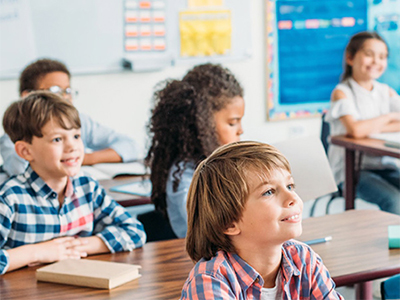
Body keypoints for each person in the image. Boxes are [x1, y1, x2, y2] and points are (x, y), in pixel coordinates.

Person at [0, 92, 146, 275]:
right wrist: (37, 252)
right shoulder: (10, 198)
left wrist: (77, 247)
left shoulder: (87, 188)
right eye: (57, 139)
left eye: (76, 136)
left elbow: (135, 231)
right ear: (25, 151)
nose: (72, 147)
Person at [181, 141, 343, 300]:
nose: (292, 197)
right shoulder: (209, 280)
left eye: (290, 186)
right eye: (269, 192)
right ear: (229, 222)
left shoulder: (303, 258)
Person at [145, 63, 245, 238]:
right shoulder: (183, 177)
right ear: (203, 124)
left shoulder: (218, 165)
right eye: (232, 122)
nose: (240, 130)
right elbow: (213, 232)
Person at [0, 58, 141, 177]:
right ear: (28, 96)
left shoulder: (80, 121)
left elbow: (131, 146)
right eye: (55, 90)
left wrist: (83, 158)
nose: (65, 97)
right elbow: (20, 169)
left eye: (68, 91)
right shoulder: (14, 135)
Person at [326, 31, 400, 214]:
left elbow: (362, 128)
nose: (376, 61)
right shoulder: (342, 92)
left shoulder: (386, 91)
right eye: (369, 54)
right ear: (350, 58)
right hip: (351, 171)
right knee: (394, 200)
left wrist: (372, 126)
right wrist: (389, 117)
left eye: (382, 57)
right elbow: (356, 130)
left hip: (383, 165)